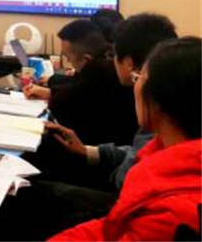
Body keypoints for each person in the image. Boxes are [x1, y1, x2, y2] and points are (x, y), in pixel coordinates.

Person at [51, 36, 201, 241]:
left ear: (160, 97)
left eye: (138, 78)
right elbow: (112, 226)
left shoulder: (173, 216)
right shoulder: (162, 150)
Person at [46, 13, 178, 189]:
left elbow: (128, 179)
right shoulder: (172, 96)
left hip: (123, 194)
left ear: (129, 64)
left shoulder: (155, 109)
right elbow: (138, 151)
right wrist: (88, 151)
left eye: (114, 54)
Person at [25, 19, 137, 146]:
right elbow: (77, 83)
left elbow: (74, 97)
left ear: (86, 59)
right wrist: (51, 91)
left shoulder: (102, 73)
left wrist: (51, 94)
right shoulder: (105, 61)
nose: (68, 61)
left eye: (68, 57)